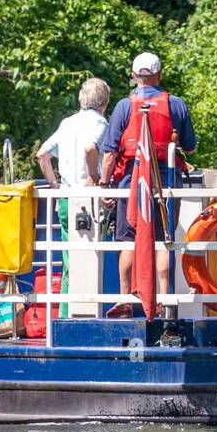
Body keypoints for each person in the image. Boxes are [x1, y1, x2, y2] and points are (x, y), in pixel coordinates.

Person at [99, 52, 197, 318]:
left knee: (128, 238)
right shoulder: (176, 104)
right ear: (159, 75)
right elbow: (190, 146)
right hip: (165, 178)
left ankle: (125, 298)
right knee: (163, 238)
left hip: (131, 181)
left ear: (133, 76)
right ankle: (163, 298)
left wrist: (105, 186)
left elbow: (109, 152)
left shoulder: (123, 106)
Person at [37, 78, 111, 318]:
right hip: (87, 201)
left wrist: (55, 186)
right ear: (105, 102)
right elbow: (91, 148)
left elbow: (42, 155)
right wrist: (93, 177)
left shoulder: (67, 123)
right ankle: (75, 317)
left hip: (66, 198)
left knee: (70, 260)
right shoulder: (100, 123)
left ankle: (64, 315)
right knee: (86, 262)